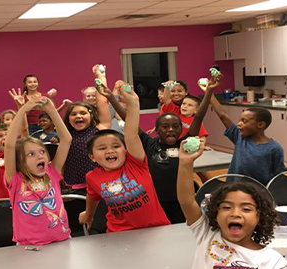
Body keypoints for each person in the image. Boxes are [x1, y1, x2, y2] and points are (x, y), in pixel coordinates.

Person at [99, 77, 218, 224]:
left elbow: (199, 116)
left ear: (181, 129)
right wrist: (111, 97)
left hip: (181, 201)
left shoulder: (183, 146)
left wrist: (209, 91)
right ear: (157, 130)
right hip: (155, 201)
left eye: (175, 127)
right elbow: (129, 118)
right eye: (165, 127)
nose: (171, 130)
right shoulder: (149, 144)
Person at [177, 139, 287, 269]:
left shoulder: (273, 261)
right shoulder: (207, 234)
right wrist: (185, 163)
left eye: (246, 209)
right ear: (215, 214)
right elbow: (187, 201)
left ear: (259, 218)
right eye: (226, 207)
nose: (235, 213)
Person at [79, 84, 170, 232]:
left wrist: (133, 104)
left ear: (126, 150)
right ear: (92, 157)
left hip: (156, 229)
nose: (110, 151)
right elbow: (92, 197)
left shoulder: (135, 163)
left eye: (116, 146)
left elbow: (131, 134)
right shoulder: (92, 177)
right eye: (102, 148)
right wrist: (89, 215)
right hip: (119, 234)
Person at [4, 96, 72, 245]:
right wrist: (23, 110)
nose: (39, 156)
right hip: (30, 245)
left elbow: (66, 139)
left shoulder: (52, 172)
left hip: (61, 238)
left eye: (42, 152)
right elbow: (9, 145)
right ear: (19, 160)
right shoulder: (15, 179)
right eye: (31, 154)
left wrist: (52, 110)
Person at [206, 88, 287, 185]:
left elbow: (279, 175)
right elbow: (223, 115)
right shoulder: (239, 137)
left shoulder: (274, 148)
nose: (239, 124)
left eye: (244, 121)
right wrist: (209, 91)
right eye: (240, 120)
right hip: (234, 188)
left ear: (260, 125)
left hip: (259, 192)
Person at [62, 65, 111, 192]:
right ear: (68, 118)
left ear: (91, 115)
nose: (78, 116)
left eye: (83, 113)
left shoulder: (99, 129)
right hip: (73, 186)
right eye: (74, 114)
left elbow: (102, 101)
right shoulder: (66, 136)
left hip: (100, 184)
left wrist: (100, 77)